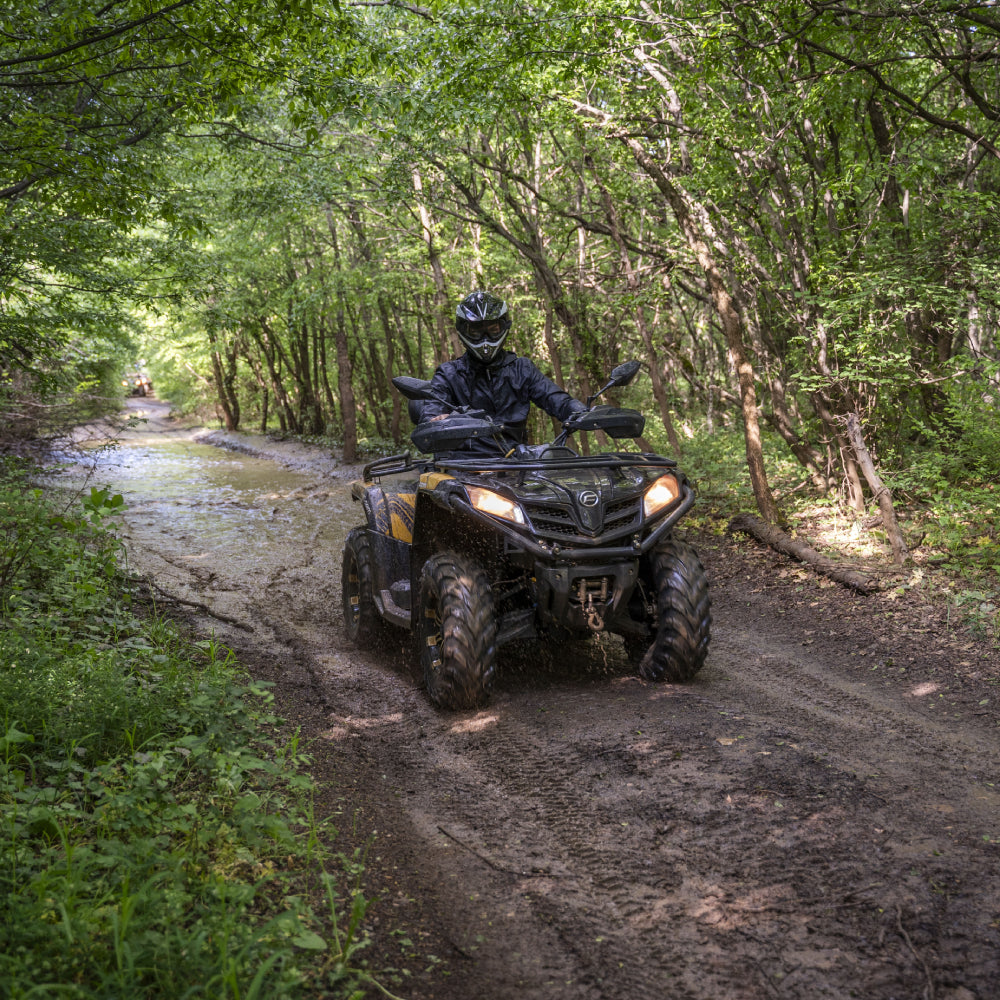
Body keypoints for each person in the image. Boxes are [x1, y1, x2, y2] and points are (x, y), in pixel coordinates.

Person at [418, 290, 587, 455]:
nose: (485, 337)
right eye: (476, 330)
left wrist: (580, 412)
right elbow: (431, 418)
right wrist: (442, 420)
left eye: (493, 329)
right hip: (463, 466)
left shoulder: (522, 369)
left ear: (503, 327)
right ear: (464, 330)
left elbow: (556, 399)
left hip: (517, 463)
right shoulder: (448, 374)